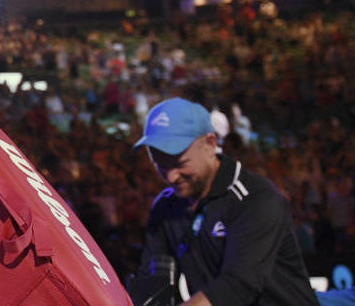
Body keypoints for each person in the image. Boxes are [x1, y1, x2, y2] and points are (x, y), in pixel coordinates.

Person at [133, 98, 319, 306]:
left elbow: (237, 288)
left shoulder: (256, 198)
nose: (171, 177)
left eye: (180, 163)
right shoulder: (166, 208)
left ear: (211, 144)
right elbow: (153, 283)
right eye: (161, 165)